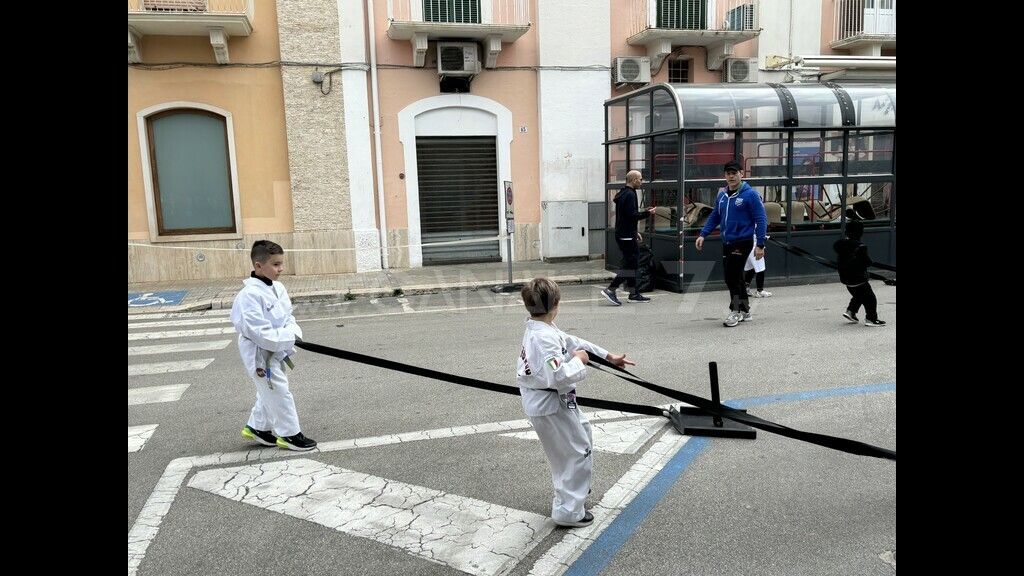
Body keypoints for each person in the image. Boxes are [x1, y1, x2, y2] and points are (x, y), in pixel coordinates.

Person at [517, 278, 635, 527]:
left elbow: (573, 342)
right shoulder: (544, 338)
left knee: (582, 438)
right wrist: (579, 361)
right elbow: (558, 376)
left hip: (555, 401)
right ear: (556, 304)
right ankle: (568, 511)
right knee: (574, 454)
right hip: (550, 405)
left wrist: (607, 356)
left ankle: (575, 491)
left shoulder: (543, 329)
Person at [230, 240, 318, 451]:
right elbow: (258, 332)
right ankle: (289, 434)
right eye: (276, 264)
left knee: (269, 388)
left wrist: (292, 333)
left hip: (278, 347)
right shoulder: (248, 296)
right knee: (277, 389)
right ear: (258, 266)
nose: (281, 269)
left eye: (281, 263)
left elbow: (288, 317)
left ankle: (257, 427)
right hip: (259, 353)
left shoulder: (278, 288)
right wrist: (288, 337)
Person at [695, 160, 768, 327]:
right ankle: (745, 310)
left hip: (743, 241)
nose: (731, 176)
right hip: (727, 241)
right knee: (736, 277)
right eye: (728, 173)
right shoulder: (722, 195)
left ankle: (735, 310)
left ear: (741, 174)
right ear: (725, 176)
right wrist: (703, 234)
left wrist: (760, 244)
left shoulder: (750, 195)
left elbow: (761, 219)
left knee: (731, 277)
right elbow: (715, 216)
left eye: (734, 173)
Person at [602, 170, 656, 305]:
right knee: (631, 265)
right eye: (640, 179)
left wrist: (634, 231)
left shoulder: (624, 193)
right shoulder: (630, 194)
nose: (641, 182)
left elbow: (626, 216)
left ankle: (633, 294)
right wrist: (648, 213)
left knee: (632, 264)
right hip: (625, 235)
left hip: (625, 233)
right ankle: (611, 289)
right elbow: (632, 215)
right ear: (634, 180)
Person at [833, 220, 886, 327]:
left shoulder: (840, 244)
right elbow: (866, 262)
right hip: (858, 278)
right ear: (860, 232)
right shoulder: (860, 246)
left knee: (859, 295)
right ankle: (871, 319)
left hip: (845, 278)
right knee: (870, 298)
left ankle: (851, 312)